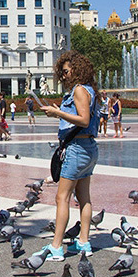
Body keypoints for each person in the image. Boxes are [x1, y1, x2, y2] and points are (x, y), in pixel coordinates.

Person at [37, 50, 100, 261]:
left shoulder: (80, 90)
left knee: (61, 197)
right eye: (61, 73)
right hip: (89, 148)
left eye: (65, 72)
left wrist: (58, 113)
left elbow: (83, 119)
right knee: (84, 198)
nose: (63, 76)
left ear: (76, 69)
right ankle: (83, 242)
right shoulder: (89, 90)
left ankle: (56, 247)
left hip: (76, 149)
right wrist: (61, 111)